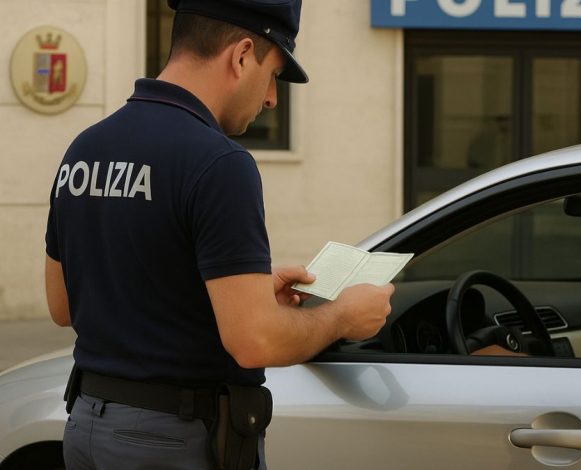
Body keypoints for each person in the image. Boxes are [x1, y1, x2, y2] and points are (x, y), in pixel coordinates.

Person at [44, 1, 394, 469]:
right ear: (242, 54)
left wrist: (236, 288)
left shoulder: (86, 147)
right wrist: (342, 316)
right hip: (171, 440)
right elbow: (255, 342)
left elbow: (64, 304)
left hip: (87, 426)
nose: (272, 97)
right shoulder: (220, 163)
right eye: (273, 74)